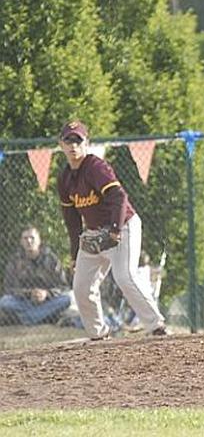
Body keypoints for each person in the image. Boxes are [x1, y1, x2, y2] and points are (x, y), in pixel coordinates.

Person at [56, 121, 169, 340]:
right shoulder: (64, 178)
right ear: (60, 144)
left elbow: (119, 197)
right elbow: (71, 219)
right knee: (81, 287)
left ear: (87, 143)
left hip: (123, 226)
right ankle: (99, 334)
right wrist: (74, 255)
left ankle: (157, 326)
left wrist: (115, 231)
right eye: (68, 140)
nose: (73, 146)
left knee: (124, 276)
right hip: (94, 234)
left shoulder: (95, 167)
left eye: (78, 140)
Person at [0, 226, 73, 326]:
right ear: (21, 242)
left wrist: (46, 294)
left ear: (39, 240)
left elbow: (64, 287)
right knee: (4, 301)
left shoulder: (51, 259)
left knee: (67, 299)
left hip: (48, 301)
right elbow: (8, 288)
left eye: (32, 238)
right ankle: (43, 316)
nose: (29, 241)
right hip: (24, 302)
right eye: (25, 238)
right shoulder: (15, 261)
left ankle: (27, 318)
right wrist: (29, 294)